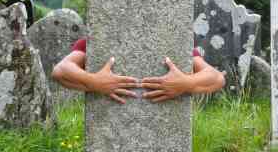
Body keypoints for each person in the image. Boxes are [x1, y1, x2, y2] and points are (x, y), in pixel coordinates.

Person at [51, 38, 225, 104]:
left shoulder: (178, 43)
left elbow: (217, 78)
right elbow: (60, 71)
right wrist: (94, 82)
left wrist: (185, 83)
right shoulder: (91, 41)